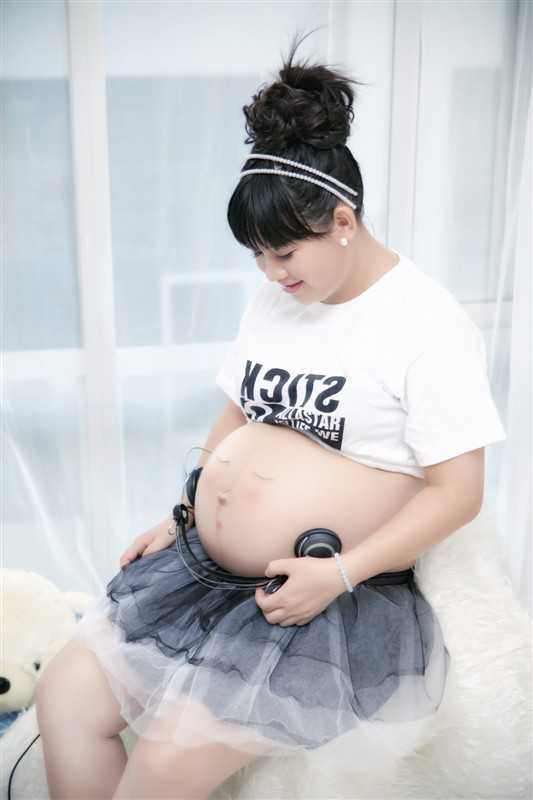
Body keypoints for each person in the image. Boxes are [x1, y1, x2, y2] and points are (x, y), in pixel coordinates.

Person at [35, 28, 506, 800]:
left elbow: (459, 493)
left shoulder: (424, 322)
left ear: (342, 221)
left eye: (283, 254)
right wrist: (183, 514)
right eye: (257, 255)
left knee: (161, 768)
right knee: (63, 698)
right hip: (205, 572)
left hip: (324, 598)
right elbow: (238, 414)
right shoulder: (276, 300)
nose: (270, 273)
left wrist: (338, 574)